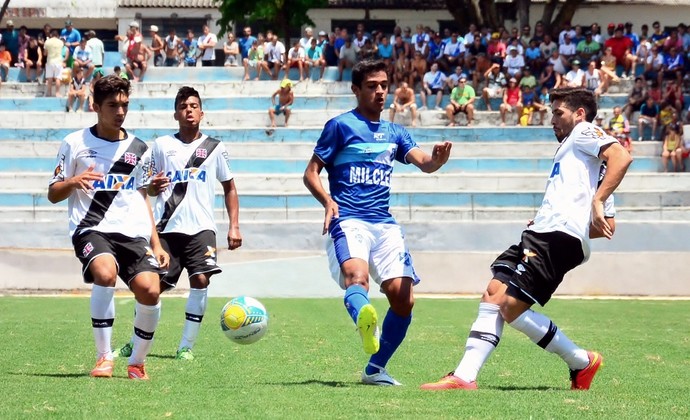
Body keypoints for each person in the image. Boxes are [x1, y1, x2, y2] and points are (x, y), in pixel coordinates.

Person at [421, 87, 632, 391]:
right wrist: (572, 212)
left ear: (580, 114)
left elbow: (621, 156)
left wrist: (595, 203)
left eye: (558, 113)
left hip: (555, 238)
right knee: (494, 292)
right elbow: (605, 227)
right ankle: (464, 377)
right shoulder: (584, 161)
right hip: (543, 232)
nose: (552, 120)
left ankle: (581, 361)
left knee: (510, 305)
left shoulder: (584, 132)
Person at [303, 59, 452, 386]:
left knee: (404, 298)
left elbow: (424, 163)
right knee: (357, 278)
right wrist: (328, 201)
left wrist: (437, 160)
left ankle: (375, 369)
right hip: (349, 219)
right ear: (356, 90)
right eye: (372, 86)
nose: (380, 91)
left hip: (384, 225)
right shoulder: (340, 126)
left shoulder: (396, 132)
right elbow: (311, 173)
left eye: (384, 85)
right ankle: (365, 320)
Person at [47, 75, 169, 380]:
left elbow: (143, 196)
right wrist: (73, 182)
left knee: (151, 291)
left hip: (132, 232)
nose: (120, 111)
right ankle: (104, 358)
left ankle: (137, 362)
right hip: (91, 228)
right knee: (105, 273)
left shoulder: (141, 148)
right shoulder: (74, 143)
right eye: (112, 105)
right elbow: (53, 193)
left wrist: (156, 242)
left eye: (124, 105)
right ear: (95, 106)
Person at [114, 86, 242, 361]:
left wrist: (234, 225)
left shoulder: (215, 148)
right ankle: (134, 342)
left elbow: (230, 187)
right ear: (176, 113)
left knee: (200, 278)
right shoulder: (161, 146)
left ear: (201, 112)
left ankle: (186, 346)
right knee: (151, 286)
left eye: (194, 106)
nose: (189, 110)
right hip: (167, 228)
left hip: (201, 228)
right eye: (184, 106)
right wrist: (153, 186)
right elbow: (144, 186)